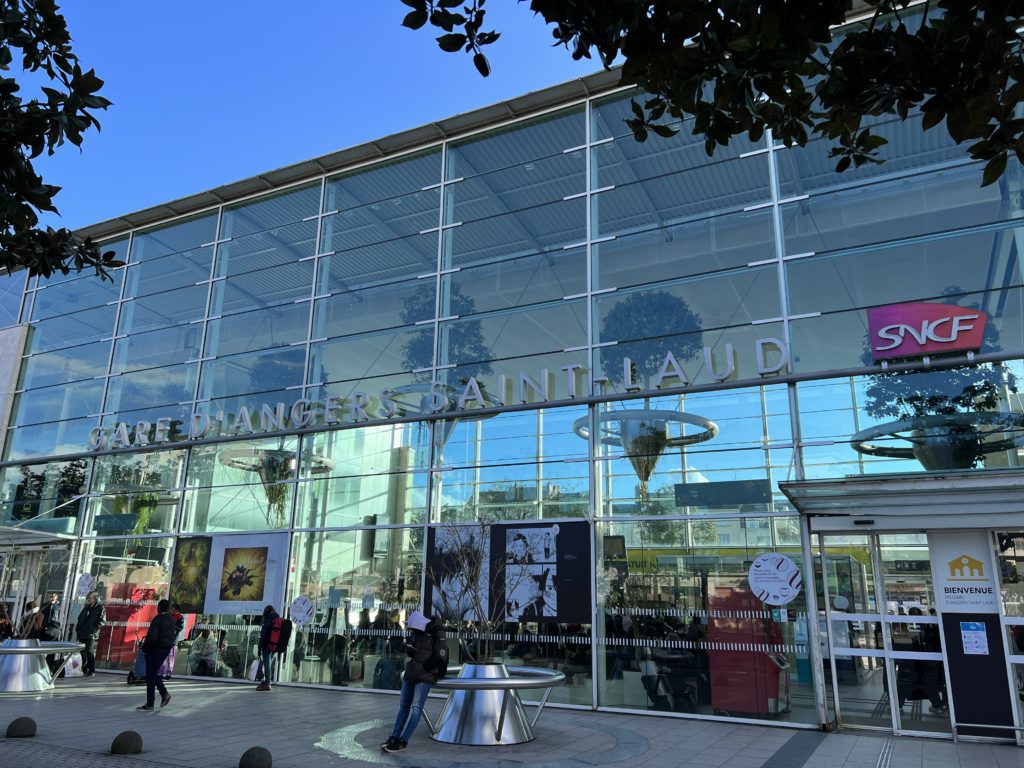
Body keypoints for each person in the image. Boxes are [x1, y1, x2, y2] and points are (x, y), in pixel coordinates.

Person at [382, 610, 448, 753]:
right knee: (404, 706)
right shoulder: (417, 632)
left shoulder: (436, 632)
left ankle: (403, 740)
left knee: (416, 708)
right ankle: (395, 736)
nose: (412, 631)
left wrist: (426, 667)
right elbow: (415, 651)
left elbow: (440, 656)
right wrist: (410, 650)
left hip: (424, 676)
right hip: (411, 673)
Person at [136, 599, 175, 711]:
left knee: (150, 675)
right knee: (152, 673)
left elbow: (152, 637)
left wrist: (146, 648)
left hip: (155, 649)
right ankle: (163, 694)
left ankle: (151, 702)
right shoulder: (171, 619)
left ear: (160, 608)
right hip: (165, 649)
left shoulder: (158, 619)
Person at [75, 591, 105, 676]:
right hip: (82, 633)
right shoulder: (86, 607)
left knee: (89, 651)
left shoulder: (100, 608)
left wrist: (93, 630)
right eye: (88, 598)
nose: (88, 599)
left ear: (95, 599)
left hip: (91, 634)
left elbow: (102, 621)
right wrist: (78, 628)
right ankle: (84, 668)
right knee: (82, 651)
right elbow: (80, 618)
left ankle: (91, 670)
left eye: (90, 598)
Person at [256, 604, 279, 691]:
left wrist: (259, 647)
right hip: (275, 644)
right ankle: (267, 680)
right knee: (268, 663)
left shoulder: (268, 619)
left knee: (267, 664)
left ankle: (268, 683)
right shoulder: (276, 618)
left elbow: (264, 635)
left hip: (267, 645)